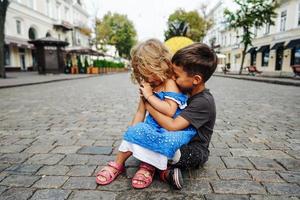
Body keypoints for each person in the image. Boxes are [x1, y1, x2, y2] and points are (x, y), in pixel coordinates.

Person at [95, 39, 197, 189]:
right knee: (135, 131)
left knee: (165, 140)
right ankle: (117, 164)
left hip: (170, 128)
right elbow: (140, 112)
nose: (148, 79)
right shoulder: (149, 86)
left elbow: (170, 110)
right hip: (153, 126)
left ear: (161, 65)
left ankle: (147, 167)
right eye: (144, 75)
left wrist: (149, 96)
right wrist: (132, 132)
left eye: (151, 74)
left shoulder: (170, 83)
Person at [144, 42, 217, 189]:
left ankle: (163, 170)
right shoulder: (186, 91)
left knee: (175, 152)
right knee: (156, 140)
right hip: (179, 138)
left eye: (176, 75)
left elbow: (172, 126)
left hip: (194, 148)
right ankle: (165, 171)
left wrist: (148, 104)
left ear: (196, 79)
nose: (172, 78)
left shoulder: (203, 102)